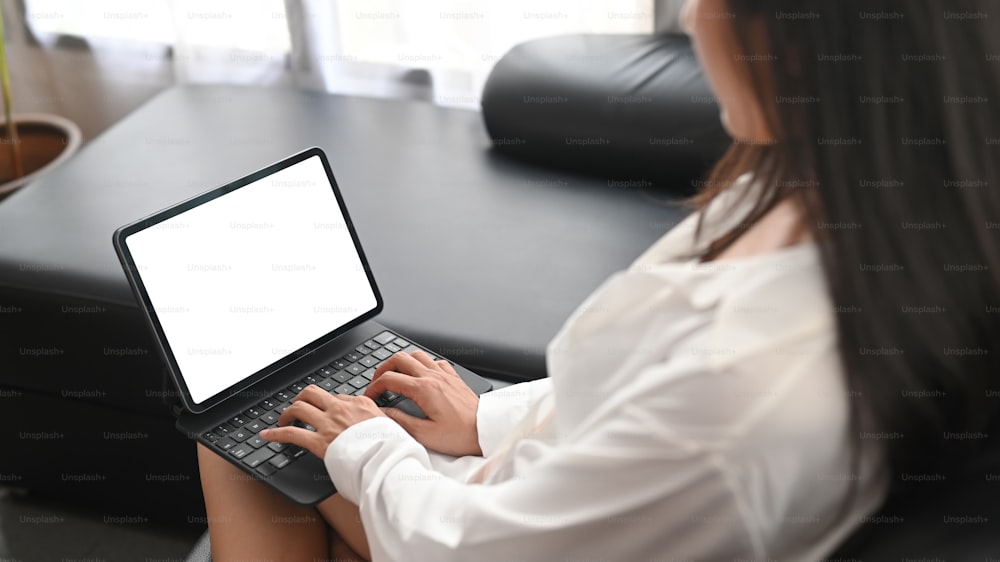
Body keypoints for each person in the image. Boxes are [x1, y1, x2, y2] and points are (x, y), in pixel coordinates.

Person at [196, 0, 1000, 559]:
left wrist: (368, 447)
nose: (689, 21)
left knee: (251, 444)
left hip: (503, 541)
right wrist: (490, 421)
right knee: (286, 443)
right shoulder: (840, 194)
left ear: (800, 41)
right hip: (546, 503)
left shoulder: (745, 383)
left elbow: (480, 553)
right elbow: (641, 393)